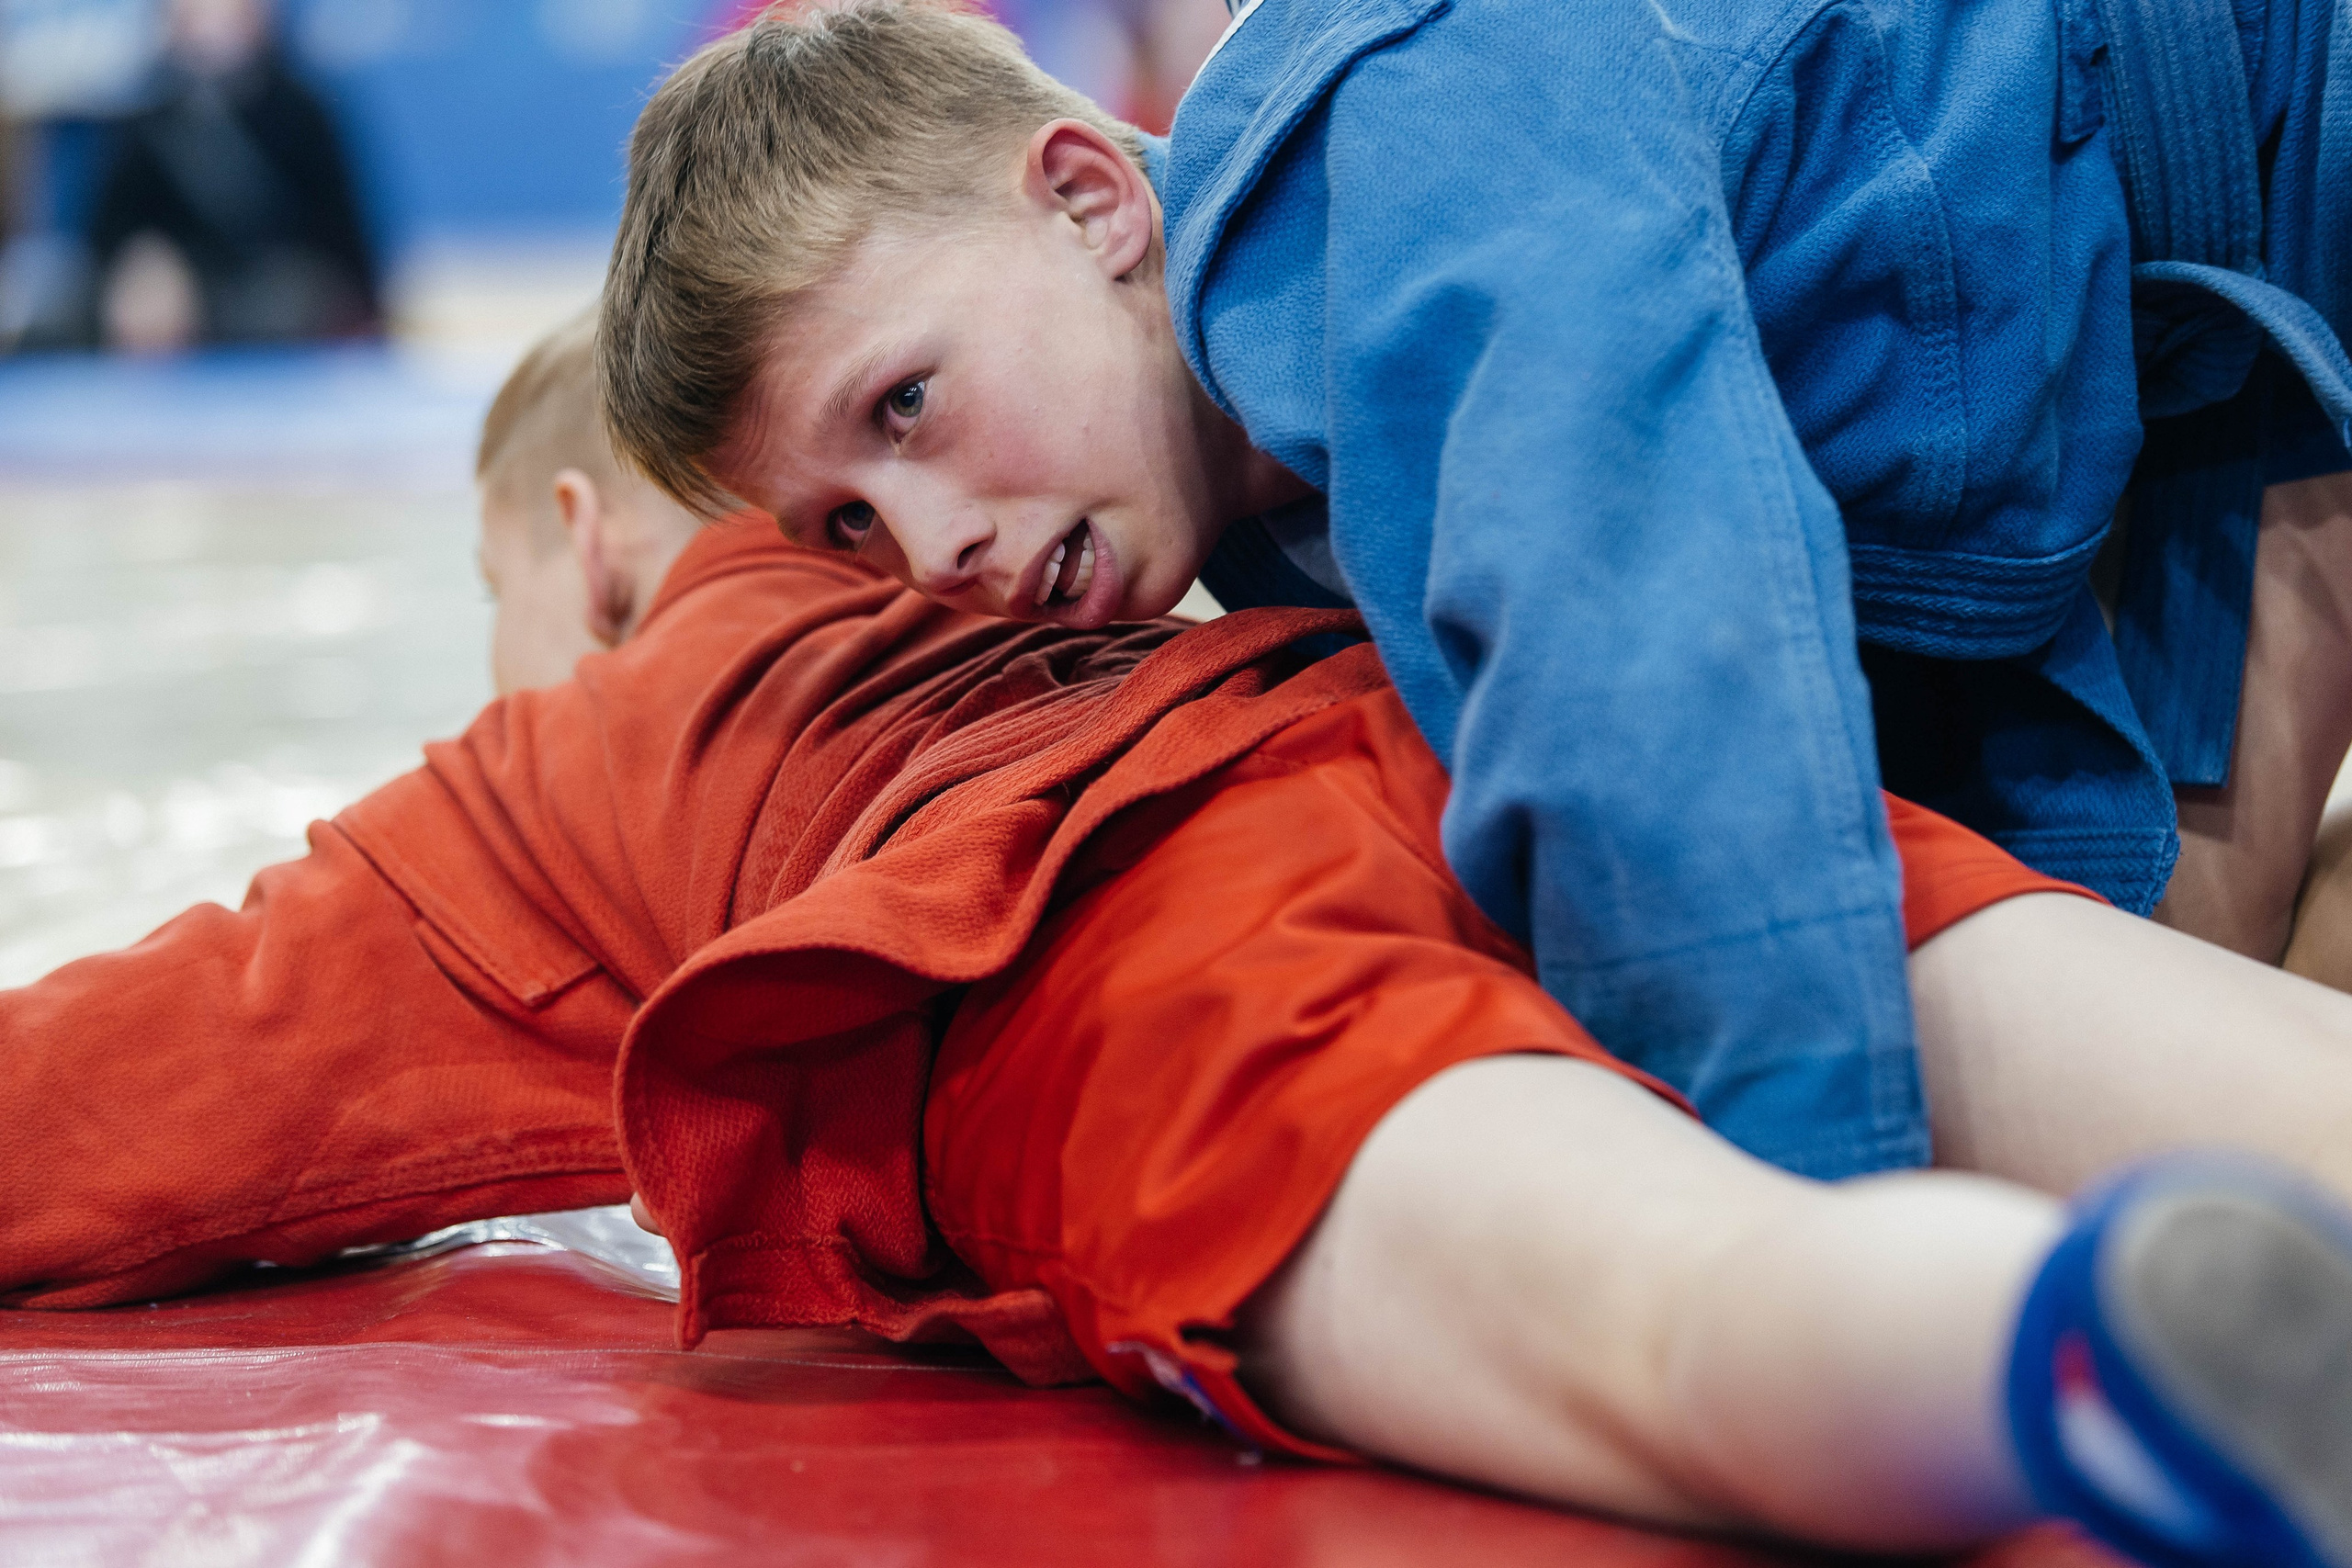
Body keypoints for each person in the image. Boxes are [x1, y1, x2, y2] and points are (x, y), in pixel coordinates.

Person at [10, 315, 2352, 1568]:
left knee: (1664, 1302)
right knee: (2067, 1011)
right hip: (1440, 744)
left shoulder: (571, 760)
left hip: (1113, 916)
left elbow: (128, 1086)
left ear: (590, 549)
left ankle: (2070, 1349)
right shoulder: (1113, 532)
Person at [593, 0, 2352, 1185]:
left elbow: (1648, 712)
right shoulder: (1261, 523)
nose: (930, 554)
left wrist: (1806, 1259)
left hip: (2278, 110)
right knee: (2147, 1037)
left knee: (2037, 1100)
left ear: (1088, 201)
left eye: (905, 407)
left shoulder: (1404, 138)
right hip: (2149, 338)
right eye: (843, 530)